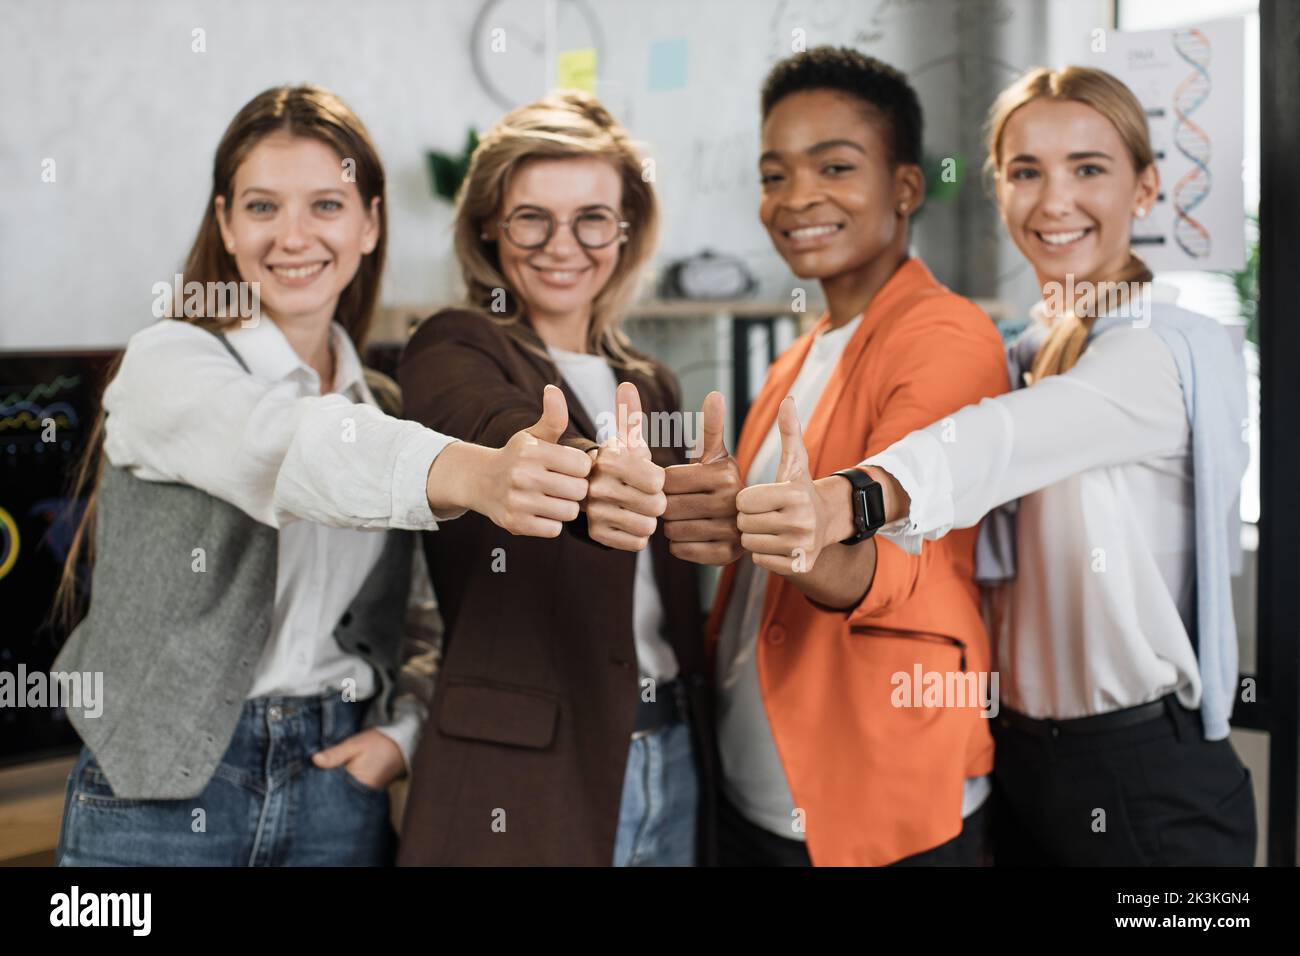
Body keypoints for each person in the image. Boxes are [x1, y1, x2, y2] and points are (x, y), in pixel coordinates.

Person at [51, 85, 591, 867]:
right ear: (227, 225)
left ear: (370, 223)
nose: (294, 235)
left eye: (327, 206)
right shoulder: (169, 362)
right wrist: (473, 473)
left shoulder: (387, 406)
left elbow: (425, 617)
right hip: (158, 791)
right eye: (263, 207)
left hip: (337, 784)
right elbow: (288, 446)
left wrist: (401, 733)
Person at [750, 66, 1256, 865]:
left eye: (1089, 169)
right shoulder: (1038, 347)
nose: (1054, 201)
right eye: (1026, 172)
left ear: (1147, 187)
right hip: (1026, 766)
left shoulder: (1158, 349)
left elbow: (999, 441)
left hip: (1143, 783)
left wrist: (853, 497)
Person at [663, 47, 1007, 866]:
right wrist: (723, 518)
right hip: (758, 790)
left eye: (835, 167)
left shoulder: (946, 332)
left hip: (879, 804)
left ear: (906, 188)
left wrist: (809, 537)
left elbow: (897, 557)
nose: (797, 198)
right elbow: (769, 551)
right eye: (774, 175)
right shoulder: (800, 352)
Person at [396, 91, 714, 866]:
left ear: (626, 229)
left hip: (674, 753)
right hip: (524, 774)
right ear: (487, 229)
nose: (562, 245)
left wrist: (721, 517)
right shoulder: (454, 345)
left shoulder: (653, 383)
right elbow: (494, 429)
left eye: (592, 218)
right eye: (530, 217)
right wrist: (589, 478)